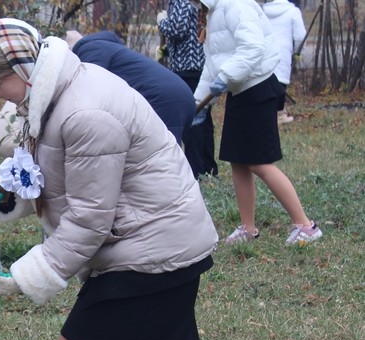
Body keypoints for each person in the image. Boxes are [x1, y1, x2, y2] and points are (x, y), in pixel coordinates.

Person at [0, 18, 218, 340]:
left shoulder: (84, 112)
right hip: (131, 240)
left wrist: (23, 278)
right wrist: (9, 194)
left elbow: (89, 220)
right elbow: (67, 179)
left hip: (159, 248)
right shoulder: (53, 94)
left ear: (23, 69)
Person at [194, 0, 322, 245]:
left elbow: (253, 48)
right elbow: (214, 65)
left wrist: (226, 75)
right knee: (238, 162)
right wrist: (197, 103)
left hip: (258, 88)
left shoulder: (235, 6)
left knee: (260, 163)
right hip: (239, 91)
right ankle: (248, 228)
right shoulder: (212, 12)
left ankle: (306, 226)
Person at [64, 30, 195, 165]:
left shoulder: (89, 50)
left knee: (162, 161)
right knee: (164, 158)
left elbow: (89, 94)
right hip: (178, 94)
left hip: (164, 99)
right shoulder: (104, 46)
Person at [158, 0, 219, 177]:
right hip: (201, 67)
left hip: (188, 67)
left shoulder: (180, 1)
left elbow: (177, 29)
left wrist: (161, 21)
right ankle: (209, 168)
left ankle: (196, 169)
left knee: (192, 121)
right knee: (204, 121)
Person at [262, 0, 306, 124]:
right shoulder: (292, 11)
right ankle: (279, 114)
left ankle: (267, 113)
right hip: (283, 52)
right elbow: (300, 37)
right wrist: (297, 53)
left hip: (265, 52)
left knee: (266, 82)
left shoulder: (262, 11)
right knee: (280, 82)